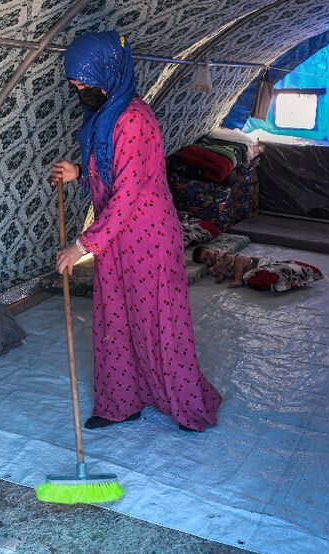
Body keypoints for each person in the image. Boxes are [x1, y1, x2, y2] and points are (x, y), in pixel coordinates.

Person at [50, 31, 221, 432]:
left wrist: (81, 245)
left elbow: (128, 193)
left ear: (109, 73)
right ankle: (120, 403)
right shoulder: (102, 115)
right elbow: (110, 175)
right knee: (115, 320)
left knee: (159, 322)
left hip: (147, 236)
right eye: (74, 83)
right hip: (116, 238)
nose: (79, 90)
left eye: (84, 82)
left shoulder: (133, 118)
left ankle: (187, 405)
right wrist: (78, 173)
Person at [192, 245, 260, 287]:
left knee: (238, 265)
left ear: (211, 250)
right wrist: (220, 278)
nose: (209, 258)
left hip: (239, 260)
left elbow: (229, 258)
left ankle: (237, 281)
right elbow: (219, 274)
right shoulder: (212, 269)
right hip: (239, 272)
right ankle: (254, 263)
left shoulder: (219, 254)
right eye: (205, 259)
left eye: (208, 253)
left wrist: (222, 265)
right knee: (245, 275)